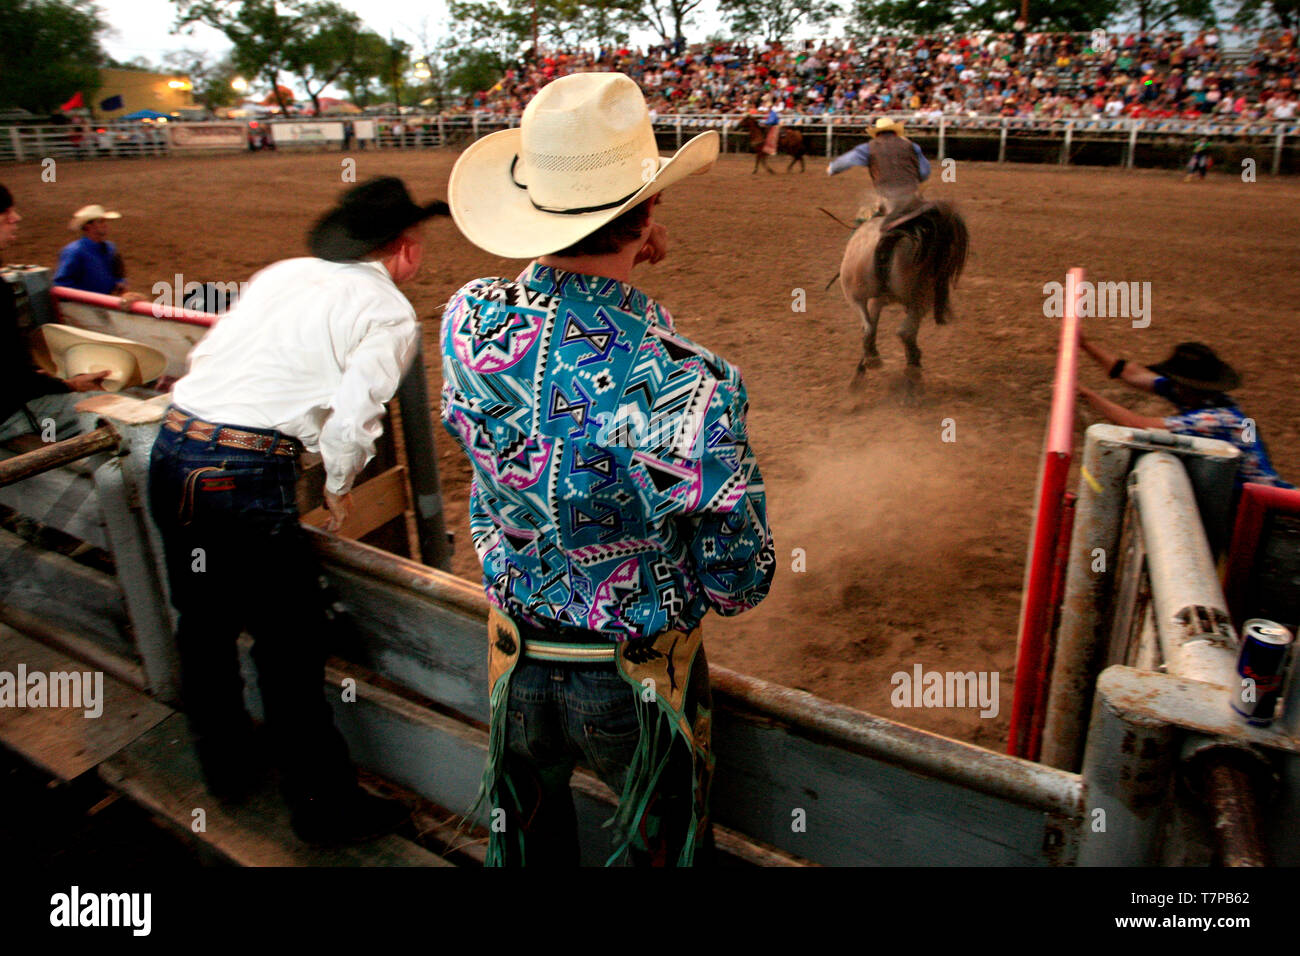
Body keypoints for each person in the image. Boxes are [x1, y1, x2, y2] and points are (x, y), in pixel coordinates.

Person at [443, 72, 775, 866]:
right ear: (649, 212)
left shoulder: (467, 318)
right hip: (635, 681)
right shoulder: (688, 380)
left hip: (514, 659)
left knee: (527, 848)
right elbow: (738, 581)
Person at [147, 177, 450, 845]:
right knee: (289, 649)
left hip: (174, 445)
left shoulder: (283, 274)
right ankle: (324, 809)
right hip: (245, 475)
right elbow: (352, 424)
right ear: (405, 247)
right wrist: (337, 487)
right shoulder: (391, 314)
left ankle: (226, 769)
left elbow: (221, 358)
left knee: (203, 625)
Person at [1078, 334, 1293, 489]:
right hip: (1262, 503)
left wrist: (1087, 395)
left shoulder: (1214, 420)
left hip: (1270, 514)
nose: (1174, 386)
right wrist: (1085, 344)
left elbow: (1139, 425)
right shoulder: (1207, 400)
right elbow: (1130, 373)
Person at [0, 184, 108, 445]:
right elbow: (15, 382)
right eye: (5, 214)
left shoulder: (108, 249)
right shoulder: (76, 252)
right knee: (107, 411)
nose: (16, 218)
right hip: (8, 414)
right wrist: (70, 385)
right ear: (89, 225)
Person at [827, 116, 933, 220]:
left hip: (887, 196)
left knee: (863, 218)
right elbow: (924, 172)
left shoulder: (869, 147)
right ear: (896, 132)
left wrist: (832, 169)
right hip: (911, 195)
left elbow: (846, 161)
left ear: (876, 134)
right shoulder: (912, 146)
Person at [52, 204, 143, 301]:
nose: (105, 225)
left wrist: (120, 284)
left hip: (101, 303)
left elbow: (118, 275)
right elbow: (61, 285)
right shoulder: (74, 252)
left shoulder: (110, 247)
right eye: (100, 221)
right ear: (88, 226)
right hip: (82, 306)